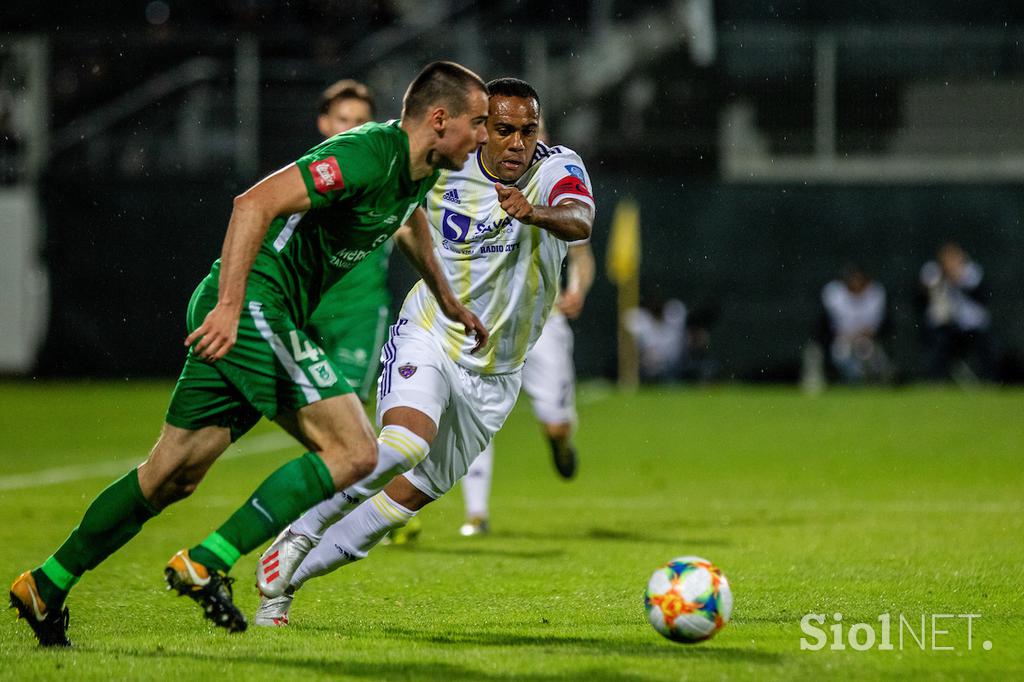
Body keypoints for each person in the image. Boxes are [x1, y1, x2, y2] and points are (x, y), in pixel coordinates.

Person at [9, 61, 490, 646]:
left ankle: (46, 583)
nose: (486, 136)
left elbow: (407, 220)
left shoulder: (417, 171)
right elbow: (253, 203)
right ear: (439, 119)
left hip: (261, 309)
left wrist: (448, 300)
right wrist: (234, 306)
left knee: (171, 475)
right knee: (355, 450)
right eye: (480, 122)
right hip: (255, 303)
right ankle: (210, 560)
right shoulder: (369, 151)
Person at [252, 77, 595, 626]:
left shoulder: (557, 168)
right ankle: (301, 528)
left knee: (402, 502)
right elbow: (396, 198)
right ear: (481, 130)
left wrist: (533, 214)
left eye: (527, 131)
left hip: (498, 372)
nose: (516, 143)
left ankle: (284, 583)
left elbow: (580, 220)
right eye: (503, 130)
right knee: (404, 442)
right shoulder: (446, 169)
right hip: (432, 333)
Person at [459, 240, 595, 536]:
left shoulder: (549, 194)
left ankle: (560, 444)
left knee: (557, 427)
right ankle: (476, 513)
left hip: (544, 321)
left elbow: (581, 253)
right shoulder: (471, 195)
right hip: (487, 322)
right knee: (475, 416)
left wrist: (577, 289)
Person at [306, 79, 396, 403]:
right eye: (343, 120)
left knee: (345, 413)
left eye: (360, 122)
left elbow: (414, 231)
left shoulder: (386, 179)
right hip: (307, 313)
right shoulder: (304, 179)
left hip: (360, 313)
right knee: (309, 415)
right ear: (324, 123)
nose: (351, 129)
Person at [918, 242, 995, 381]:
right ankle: (936, 380)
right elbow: (923, 295)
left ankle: (988, 378)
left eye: (954, 259)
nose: (950, 263)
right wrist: (943, 278)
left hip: (970, 327)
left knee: (985, 343)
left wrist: (959, 279)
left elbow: (981, 298)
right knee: (938, 342)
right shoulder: (933, 271)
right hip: (944, 327)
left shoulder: (972, 273)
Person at [817, 264, 893, 384]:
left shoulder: (875, 293)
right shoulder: (835, 294)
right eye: (853, 279)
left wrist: (864, 333)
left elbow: (877, 326)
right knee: (841, 353)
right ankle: (854, 381)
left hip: (866, 339)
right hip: (843, 338)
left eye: (859, 279)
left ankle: (875, 379)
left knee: (867, 352)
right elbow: (829, 325)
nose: (856, 283)